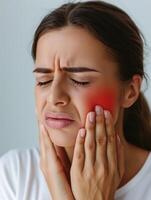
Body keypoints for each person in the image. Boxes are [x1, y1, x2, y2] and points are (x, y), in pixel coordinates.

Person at [0, 0, 151, 199]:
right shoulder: (15, 174)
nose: (54, 97)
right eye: (43, 80)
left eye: (79, 80)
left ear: (130, 91)